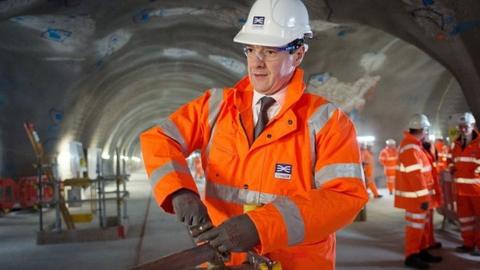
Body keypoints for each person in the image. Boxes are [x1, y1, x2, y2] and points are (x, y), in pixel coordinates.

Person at [139, 0, 368, 269]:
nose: (257, 63)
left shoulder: (327, 122)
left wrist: (259, 227)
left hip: (295, 263)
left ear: (298, 55)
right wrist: (180, 192)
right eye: (251, 50)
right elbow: (159, 139)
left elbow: (345, 198)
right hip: (222, 260)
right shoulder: (214, 106)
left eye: (270, 52)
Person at [394, 114, 442, 269]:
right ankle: (411, 255)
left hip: (420, 196)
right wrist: (423, 198)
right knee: (415, 228)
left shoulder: (415, 145)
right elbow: (415, 176)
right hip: (416, 198)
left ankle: (422, 251)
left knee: (422, 226)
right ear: (424, 129)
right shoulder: (411, 147)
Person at [450, 112, 480, 255]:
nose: (463, 129)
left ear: (473, 126)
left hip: (477, 190)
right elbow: (452, 160)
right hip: (461, 190)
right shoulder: (456, 143)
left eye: (466, 126)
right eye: (460, 127)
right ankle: (468, 244)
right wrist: (451, 168)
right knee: (465, 219)